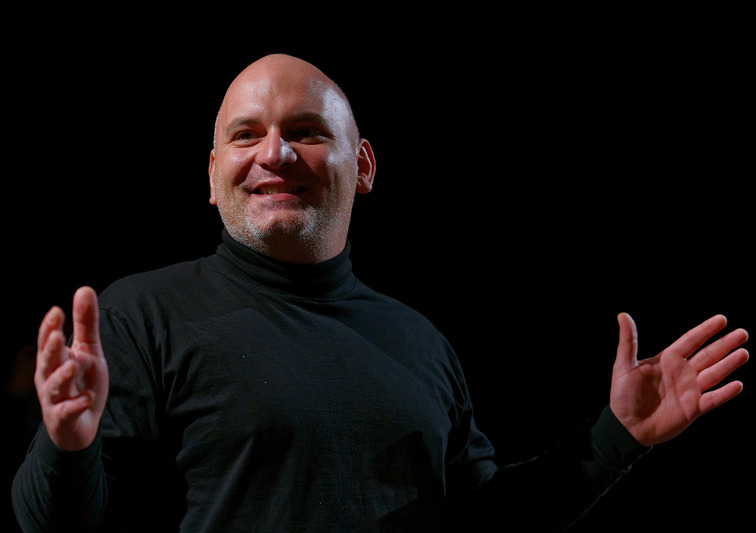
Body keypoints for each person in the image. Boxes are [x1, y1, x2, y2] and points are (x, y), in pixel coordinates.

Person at [12, 54, 749, 532]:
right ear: (212, 174)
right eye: (246, 135)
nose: (274, 153)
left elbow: (485, 523)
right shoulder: (139, 318)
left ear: (362, 165)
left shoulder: (419, 343)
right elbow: (49, 525)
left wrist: (615, 437)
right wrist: (67, 445)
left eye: (306, 131)